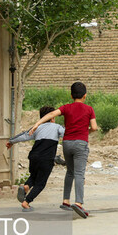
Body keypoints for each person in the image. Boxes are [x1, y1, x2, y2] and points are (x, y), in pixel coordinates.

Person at [29, 82, 98, 219]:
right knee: (79, 173)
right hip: (80, 143)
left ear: (71, 95)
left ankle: (66, 201)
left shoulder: (66, 108)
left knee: (70, 172)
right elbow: (94, 127)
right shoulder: (89, 109)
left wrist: (37, 124)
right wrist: (86, 132)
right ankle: (78, 203)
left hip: (66, 143)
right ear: (85, 96)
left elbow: (52, 114)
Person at [6, 106, 65, 212]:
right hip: (46, 159)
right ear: (52, 117)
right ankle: (26, 202)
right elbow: (68, 135)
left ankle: (26, 187)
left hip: (33, 157)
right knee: (40, 183)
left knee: (34, 176)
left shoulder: (37, 127)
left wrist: (11, 141)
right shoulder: (57, 127)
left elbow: (24, 135)